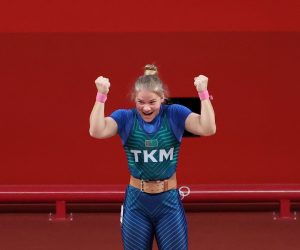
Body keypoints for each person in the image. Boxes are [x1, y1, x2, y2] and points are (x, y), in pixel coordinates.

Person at [89, 64, 216, 250]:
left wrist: (203, 93)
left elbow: (208, 128)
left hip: (168, 202)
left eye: (152, 102)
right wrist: (101, 96)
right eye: (141, 102)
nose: (146, 108)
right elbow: (96, 131)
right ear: (134, 99)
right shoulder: (126, 118)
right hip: (136, 203)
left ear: (162, 98)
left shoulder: (174, 114)